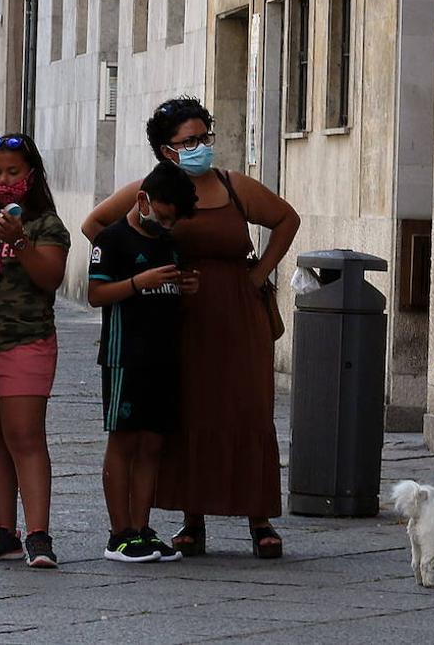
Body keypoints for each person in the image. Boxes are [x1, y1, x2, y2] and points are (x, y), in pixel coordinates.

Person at [82, 97, 300, 559]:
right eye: (189, 140)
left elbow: (286, 219)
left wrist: (259, 273)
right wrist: (138, 267)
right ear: (166, 149)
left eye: (205, 137)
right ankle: (191, 518)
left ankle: (258, 517)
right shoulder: (150, 190)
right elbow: (97, 225)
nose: (200, 147)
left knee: (248, 407)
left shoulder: (234, 186)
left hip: (238, 312)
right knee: (188, 410)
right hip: (175, 313)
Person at [0, 134, 71, 569]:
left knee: (25, 436)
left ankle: (39, 534)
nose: (3, 179)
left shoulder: (46, 224)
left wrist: (19, 242)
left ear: (32, 175)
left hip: (27, 342)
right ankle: (4, 530)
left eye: (13, 172)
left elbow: (51, 277)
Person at [88, 162, 200, 563]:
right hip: (125, 355)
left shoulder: (167, 242)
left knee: (152, 443)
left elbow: (171, 287)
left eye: (172, 221)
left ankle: (141, 526)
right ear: (143, 201)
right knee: (124, 439)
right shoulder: (112, 238)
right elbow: (96, 294)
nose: (166, 224)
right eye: (163, 215)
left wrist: (186, 285)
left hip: (163, 355)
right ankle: (119, 532)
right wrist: (138, 283)